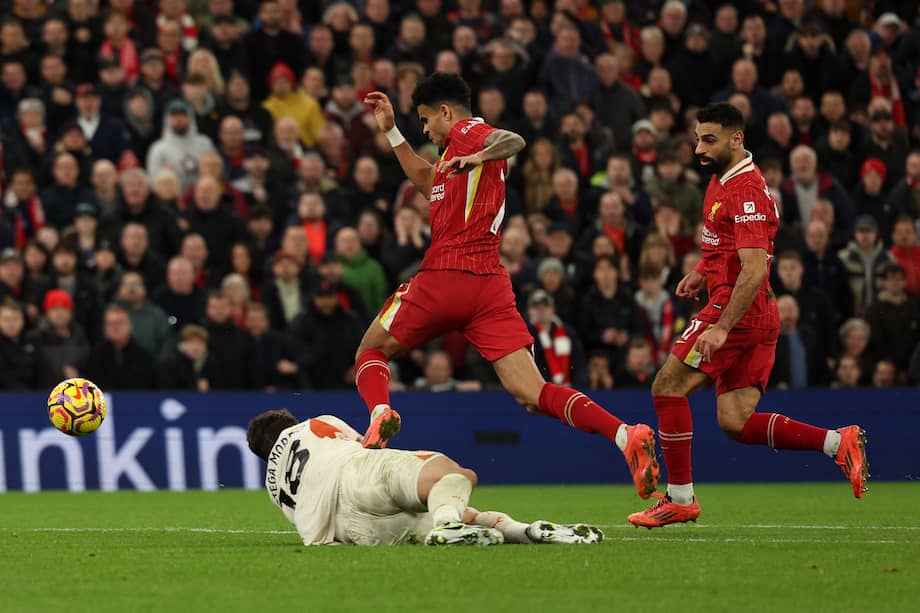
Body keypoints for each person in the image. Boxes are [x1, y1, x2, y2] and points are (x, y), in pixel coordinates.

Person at [360, 73, 658, 499]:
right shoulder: (451, 159)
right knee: (533, 393)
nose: (425, 130)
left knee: (370, 351)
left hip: (447, 275)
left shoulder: (467, 133)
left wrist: (479, 156)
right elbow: (427, 183)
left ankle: (382, 411)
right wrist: (391, 130)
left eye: (426, 120)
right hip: (489, 289)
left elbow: (513, 141)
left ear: (446, 112)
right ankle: (625, 435)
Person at [629, 103, 869, 529]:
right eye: (697, 138)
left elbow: (756, 267)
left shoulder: (745, 190)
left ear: (736, 139)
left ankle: (680, 498)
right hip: (752, 309)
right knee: (735, 422)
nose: (699, 148)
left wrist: (721, 327)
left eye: (710, 139)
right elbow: (731, 247)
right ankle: (838, 443)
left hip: (739, 311)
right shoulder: (721, 178)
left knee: (668, 386)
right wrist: (703, 270)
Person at [246, 409, 604, 546]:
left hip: (351, 533)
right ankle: (481, 526)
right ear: (289, 426)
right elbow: (368, 446)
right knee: (453, 475)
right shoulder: (314, 424)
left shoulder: (271, 487)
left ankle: (522, 531)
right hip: (354, 476)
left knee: (439, 514)